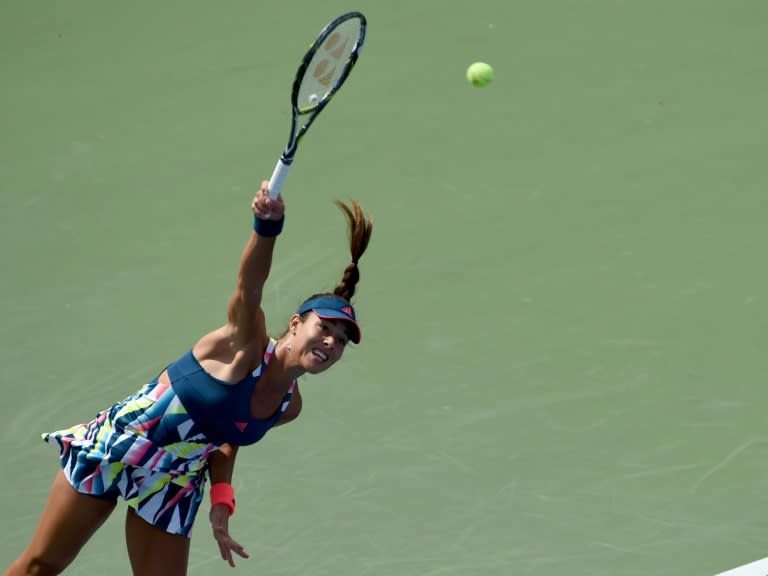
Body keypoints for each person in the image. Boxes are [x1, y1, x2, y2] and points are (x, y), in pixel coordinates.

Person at [4, 180, 373, 576]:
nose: (331, 343)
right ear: (296, 324)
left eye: (340, 341)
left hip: (176, 479)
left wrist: (221, 499)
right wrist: (267, 227)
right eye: (324, 329)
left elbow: (226, 438)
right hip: (123, 445)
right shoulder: (245, 346)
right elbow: (250, 287)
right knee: (40, 567)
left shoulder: (289, 405)